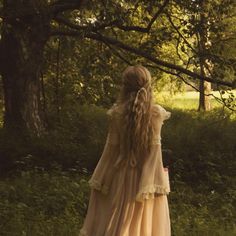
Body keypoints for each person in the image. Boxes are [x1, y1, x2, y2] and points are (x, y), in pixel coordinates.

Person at [79, 65, 171, 236]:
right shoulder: (155, 114)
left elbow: (110, 151)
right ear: (148, 86)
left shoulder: (117, 114)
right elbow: (154, 154)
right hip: (145, 179)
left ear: (124, 86)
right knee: (143, 226)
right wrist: (155, 180)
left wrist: (101, 178)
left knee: (118, 223)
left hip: (119, 177)